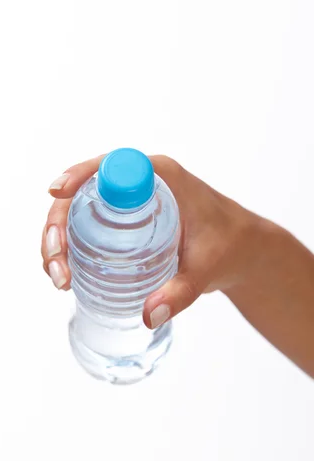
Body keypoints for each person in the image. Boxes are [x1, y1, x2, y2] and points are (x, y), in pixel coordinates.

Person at [41, 154, 314, 379]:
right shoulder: (90, 206)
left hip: (133, 339)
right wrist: (248, 252)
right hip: (101, 332)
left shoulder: (163, 207)